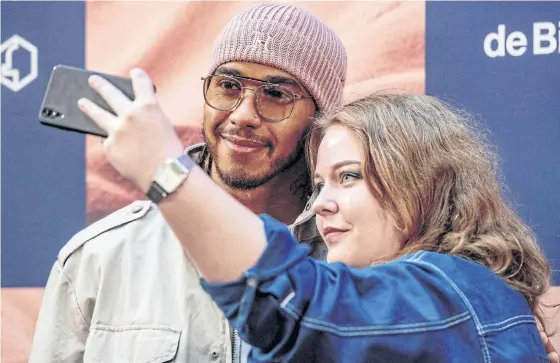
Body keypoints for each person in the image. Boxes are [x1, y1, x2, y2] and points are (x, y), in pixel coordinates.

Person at [76, 65, 557, 362]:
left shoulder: (451, 292)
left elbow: (289, 308)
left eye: (349, 177)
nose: (322, 202)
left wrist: (165, 171)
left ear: (424, 183)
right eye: (321, 182)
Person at [29, 4, 347, 363]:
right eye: (228, 86)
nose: (243, 115)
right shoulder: (99, 256)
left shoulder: (361, 257)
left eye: (276, 95)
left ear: (319, 118)